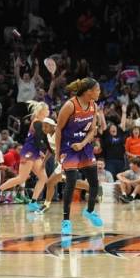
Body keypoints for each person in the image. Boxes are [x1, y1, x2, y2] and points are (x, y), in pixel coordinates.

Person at [54, 78, 104, 235]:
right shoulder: (70, 105)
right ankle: (66, 221)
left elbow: (92, 131)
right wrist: (57, 153)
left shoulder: (93, 106)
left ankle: (89, 211)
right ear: (89, 91)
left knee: (95, 183)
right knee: (71, 181)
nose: (99, 92)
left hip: (84, 146)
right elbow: (58, 130)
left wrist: (82, 144)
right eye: (97, 90)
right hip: (68, 148)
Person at [0, 101, 53, 210]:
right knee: (21, 178)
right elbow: (38, 140)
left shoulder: (41, 123)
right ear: (42, 111)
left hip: (34, 151)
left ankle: (33, 202)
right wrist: (47, 149)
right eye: (47, 109)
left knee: (43, 178)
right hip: (29, 152)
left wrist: (48, 149)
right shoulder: (37, 122)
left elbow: (42, 140)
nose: (49, 111)